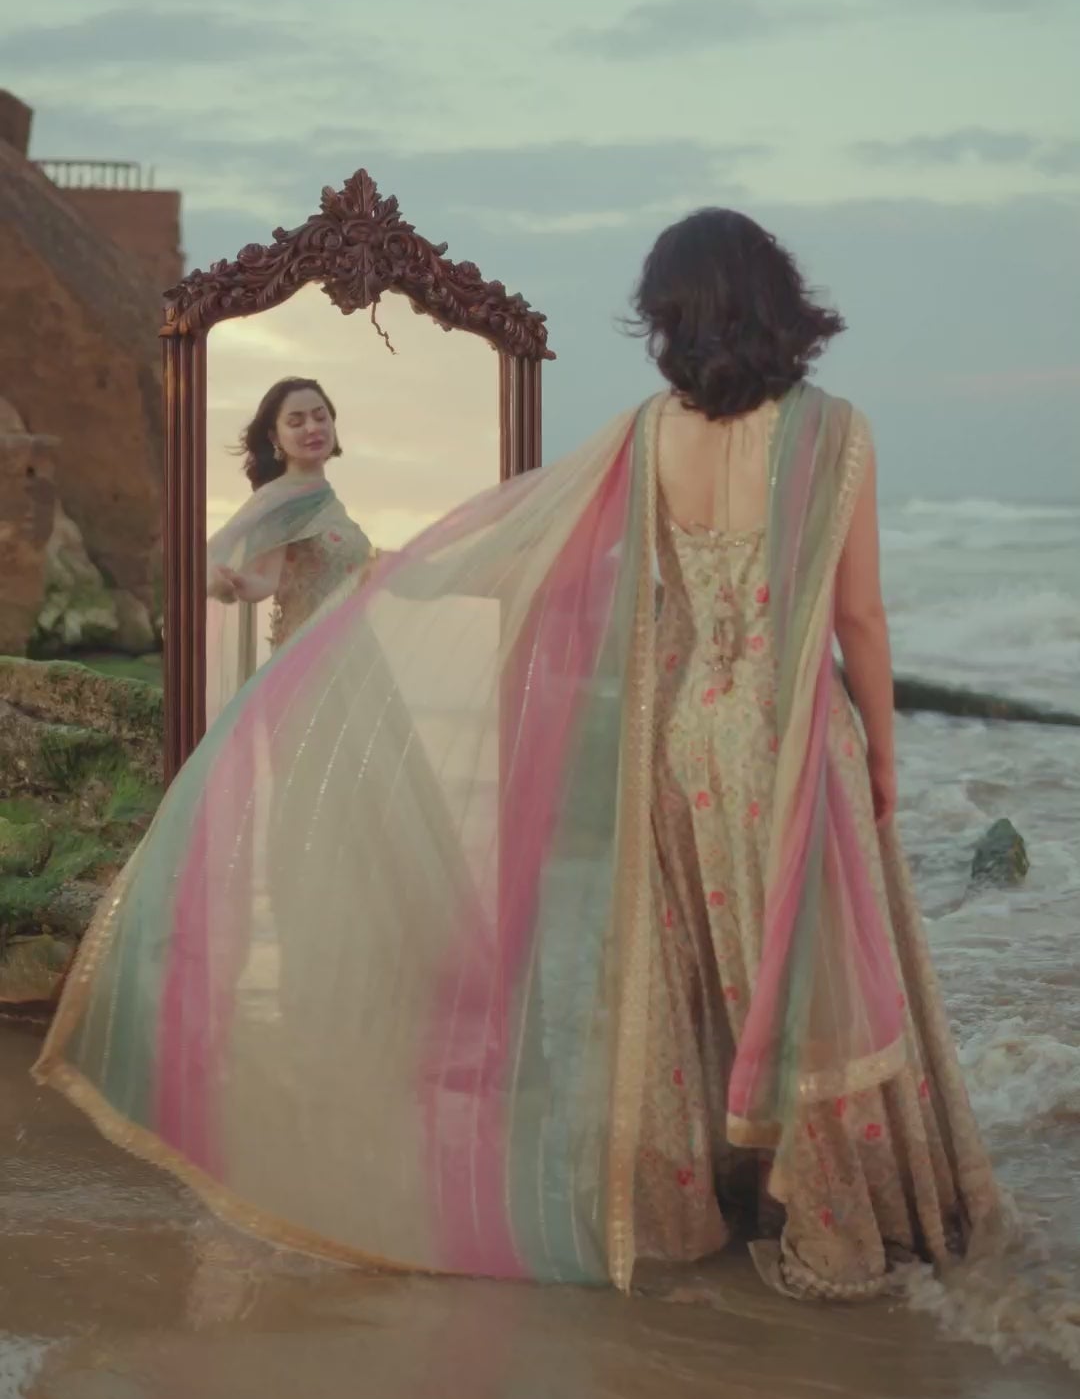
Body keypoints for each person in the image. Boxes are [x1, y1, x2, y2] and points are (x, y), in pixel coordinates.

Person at [35, 211, 1000, 1302]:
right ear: (776, 298)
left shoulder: (649, 436)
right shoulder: (835, 432)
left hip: (686, 736)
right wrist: (882, 753)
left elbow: (557, 560)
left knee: (700, 962)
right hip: (787, 736)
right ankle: (834, 1212)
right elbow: (858, 619)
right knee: (806, 961)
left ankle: (711, 1195)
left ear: (672, 319)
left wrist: (404, 579)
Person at [205, 376, 375, 718]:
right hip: (310, 664)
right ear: (274, 437)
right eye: (296, 422)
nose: (312, 427)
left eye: (320, 416)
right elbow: (263, 579)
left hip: (355, 657)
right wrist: (232, 580)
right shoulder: (280, 498)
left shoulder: (323, 497)